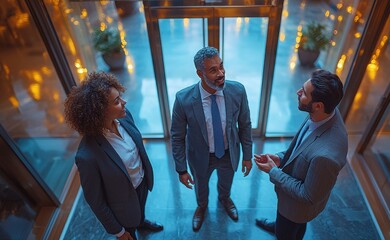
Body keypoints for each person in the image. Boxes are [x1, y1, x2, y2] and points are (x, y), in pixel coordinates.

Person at [64, 72, 163, 240]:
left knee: (139, 210)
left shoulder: (124, 117)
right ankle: (131, 229)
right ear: (99, 111)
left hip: (141, 183)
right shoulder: (87, 156)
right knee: (129, 229)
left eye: (120, 97)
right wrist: (119, 232)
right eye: (117, 101)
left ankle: (140, 221)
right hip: (122, 201)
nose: (124, 102)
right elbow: (96, 201)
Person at [254, 69, 348, 240]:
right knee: (290, 226)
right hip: (291, 206)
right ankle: (280, 227)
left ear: (318, 105)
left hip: (297, 209)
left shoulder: (325, 157)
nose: (298, 92)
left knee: (288, 231)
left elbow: (307, 195)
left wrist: (273, 171)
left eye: (304, 93)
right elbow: (301, 147)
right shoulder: (323, 112)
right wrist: (281, 158)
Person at [171, 46, 253, 231]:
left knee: (226, 182)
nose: (221, 73)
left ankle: (225, 198)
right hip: (200, 156)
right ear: (200, 73)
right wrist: (181, 169)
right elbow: (177, 137)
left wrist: (247, 156)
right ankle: (202, 206)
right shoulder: (183, 99)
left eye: (221, 66)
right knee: (201, 186)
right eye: (213, 70)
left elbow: (245, 125)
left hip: (228, 152)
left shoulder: (237, 91)